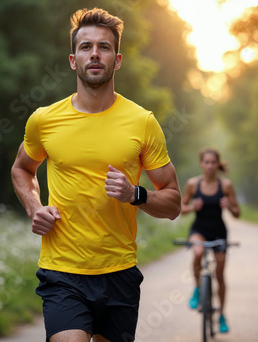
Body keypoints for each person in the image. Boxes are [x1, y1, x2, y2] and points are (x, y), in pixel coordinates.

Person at [10, 8, 181, 342]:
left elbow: (173, 202)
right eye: (86, 47)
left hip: (118, 272)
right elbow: (22, 168)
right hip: (62, 271)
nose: (94, 54)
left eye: (103, 47)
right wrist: (34, 206)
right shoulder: (44, 120)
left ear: (117, 60)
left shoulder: (142, 122)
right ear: (73, 60)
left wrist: (136, 194)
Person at [180, 148, 240, 333]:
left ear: (217, 164)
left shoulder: (226, 186)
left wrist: (229, 206)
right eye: (206, 162)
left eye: (213, 162)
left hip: (219, 232)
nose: (209, 166)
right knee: (197, 253)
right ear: (201, 164)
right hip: (199, 230)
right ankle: (198, 289)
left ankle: (221, 315)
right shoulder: (192, 184)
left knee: (220, 275)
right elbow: (181, 209)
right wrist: (192, 207)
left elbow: (238, 213)